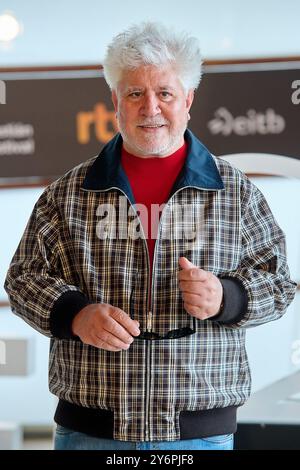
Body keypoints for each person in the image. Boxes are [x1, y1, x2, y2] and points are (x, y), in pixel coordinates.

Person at [4, 22, 297, 451]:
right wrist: (75, 314)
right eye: (135, 94)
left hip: (200, 434)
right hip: (91, 432)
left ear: (188, 100)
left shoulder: (235, 192)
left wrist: (226, 297)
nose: (150, 108)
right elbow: (23, 280)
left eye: (165, 93)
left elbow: (279, 283)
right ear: (115, 102)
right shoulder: (67, 193)